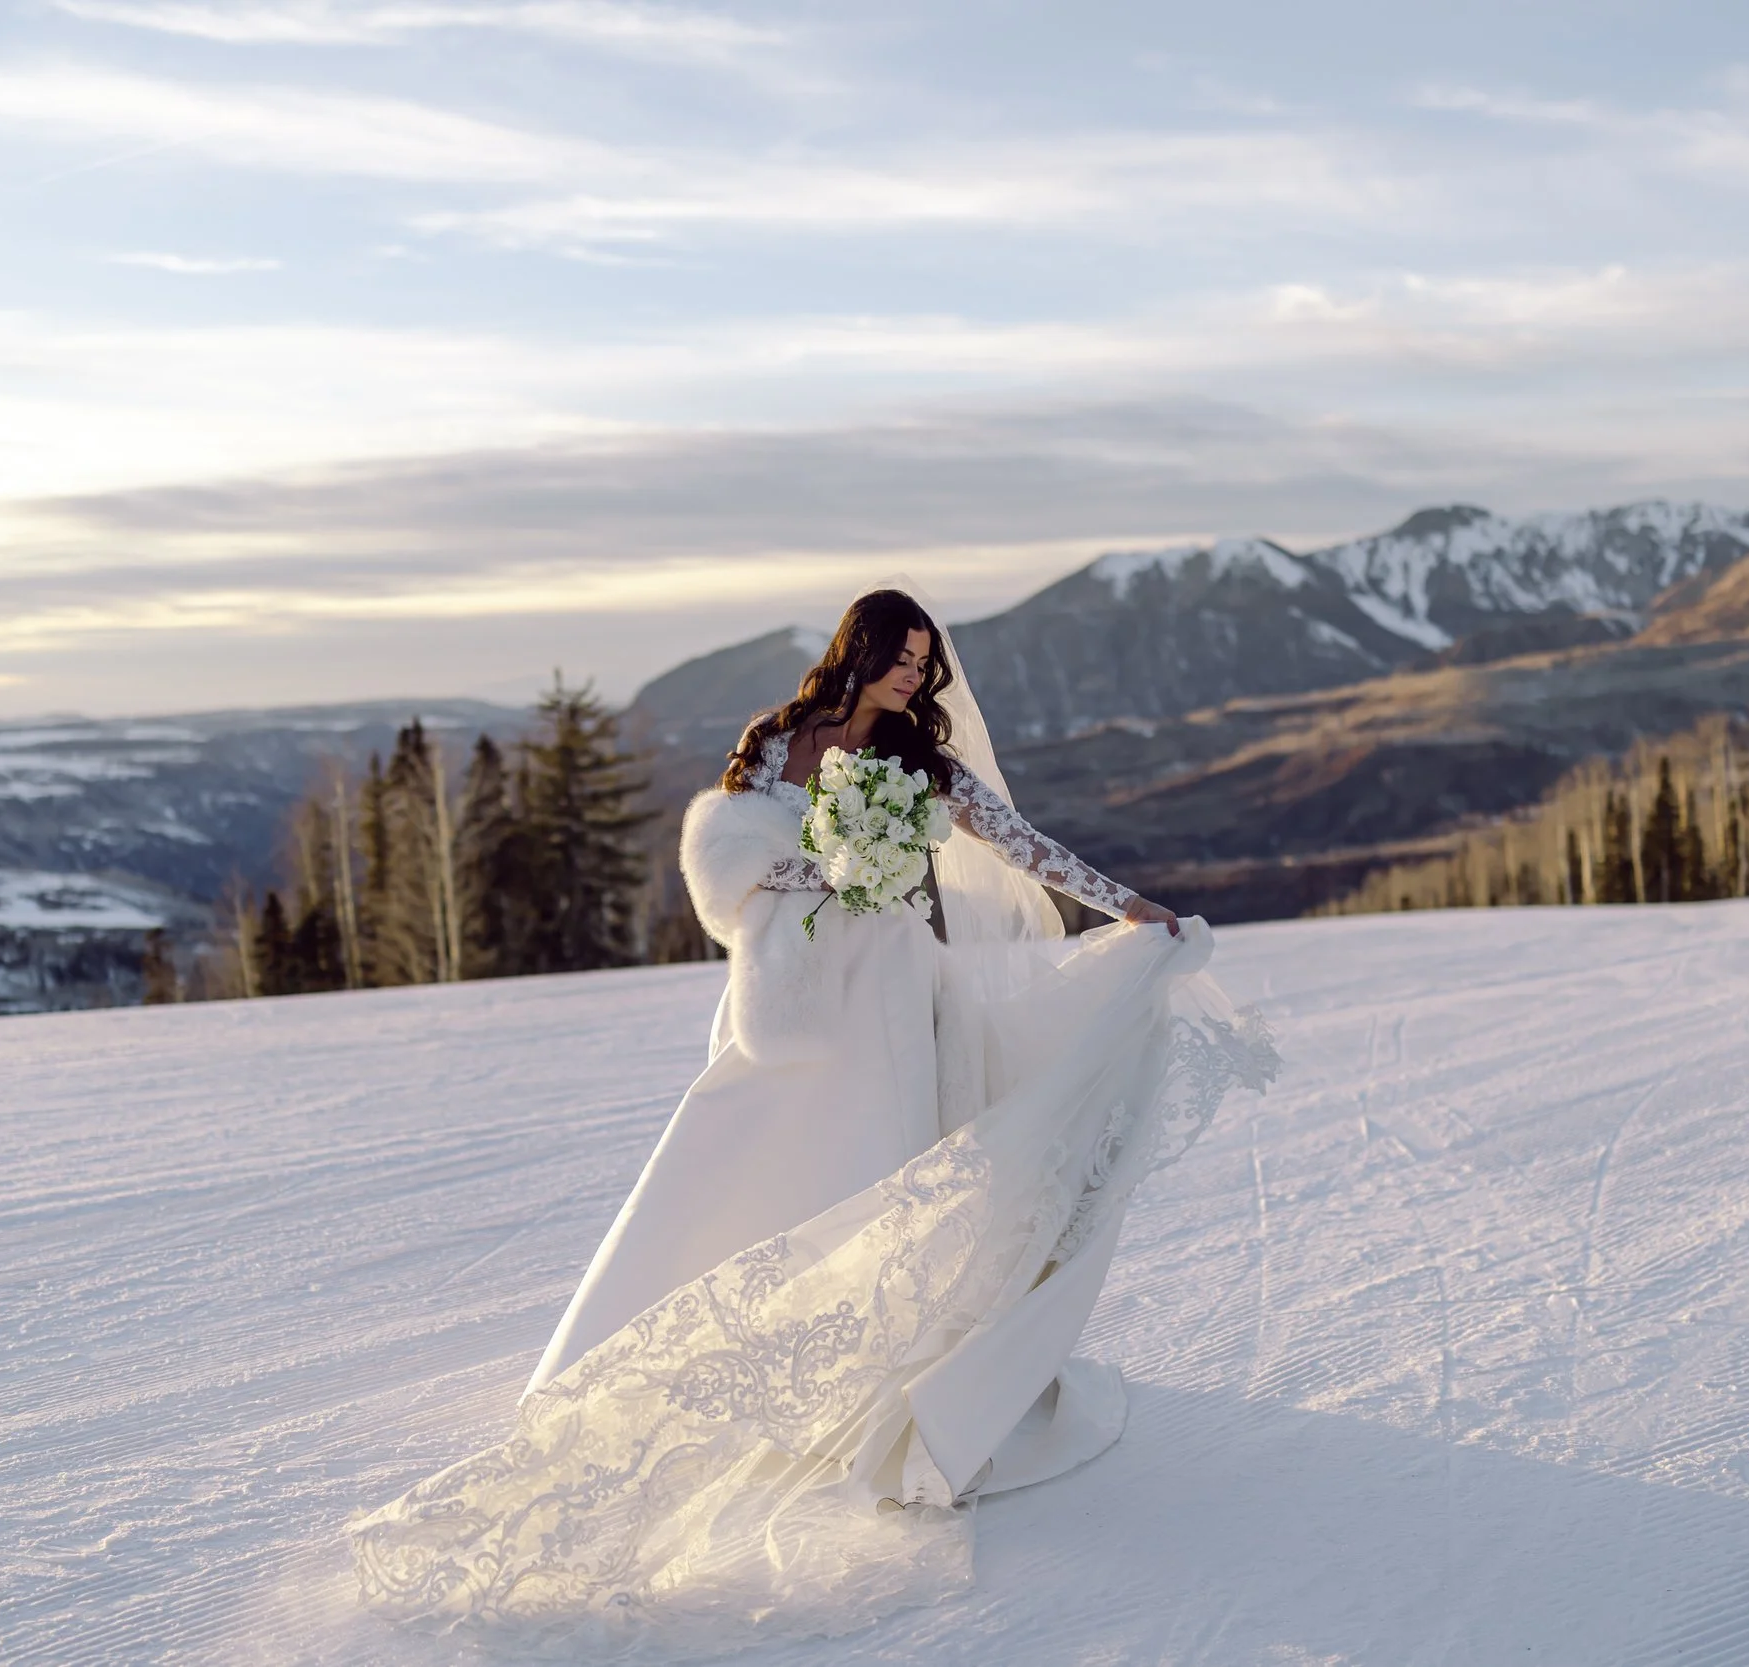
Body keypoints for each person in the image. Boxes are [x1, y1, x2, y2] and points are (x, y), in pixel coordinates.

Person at [350, 588, 1276, 1659]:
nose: (912, 677)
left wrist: (1129, 906)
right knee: (729, 1156)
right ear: (860, 649)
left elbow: (1025, 847)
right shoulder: (776, 741)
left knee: (865, 1178)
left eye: (925, 663)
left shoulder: (925, 765)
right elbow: (724, 872)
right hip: (788, 1002)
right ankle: (628, 1344)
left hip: (887, 1003)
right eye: (899, 656)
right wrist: (823, 864)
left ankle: (862, 1384)